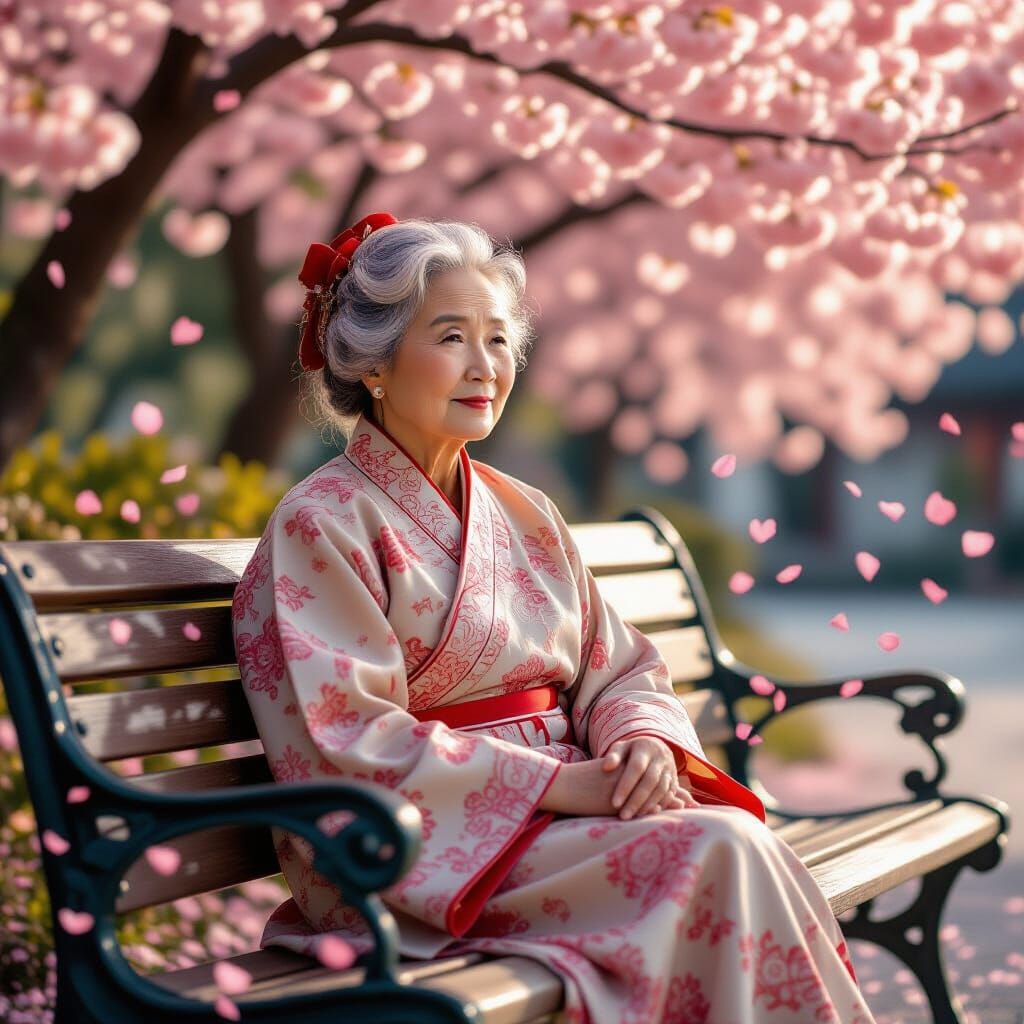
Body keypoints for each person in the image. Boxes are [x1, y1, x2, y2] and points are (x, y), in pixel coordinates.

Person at [232, 213, 877, 1024]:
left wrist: (638, 742)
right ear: (376, 364)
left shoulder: (525, 509)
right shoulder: (318, 524)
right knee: (723, 847)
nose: (485, 367)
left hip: (558, 818)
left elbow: (619, 666)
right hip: (417, 852)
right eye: (452, 337)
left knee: (742, 845)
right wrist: (559, 785)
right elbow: (349, 739)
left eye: (499, 341)